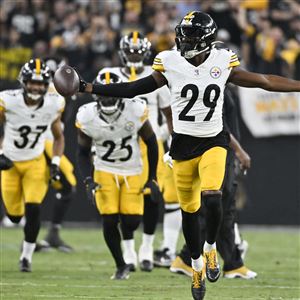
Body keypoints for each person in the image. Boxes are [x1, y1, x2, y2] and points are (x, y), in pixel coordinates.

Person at [57, 11, 300, 300]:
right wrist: (88, 87)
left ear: (206, 41)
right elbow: (135, 87)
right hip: (183, 145)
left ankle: (210, 250)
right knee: (189, 211)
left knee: (213, 195)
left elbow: (264, 81)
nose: (183, 41)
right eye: (182, 35)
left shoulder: (222, 62)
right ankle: (196, 266)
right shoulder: (169, 62)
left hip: (214, 140)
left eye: (190, 37)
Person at [97, 31, 177, 272]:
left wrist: (170, 140)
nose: (133, 56)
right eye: (130, 51)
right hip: (121, 144)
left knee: (152, 195)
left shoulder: (156, 77)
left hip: (150, 143)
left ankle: (147, 248)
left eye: (137, 51)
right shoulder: (108, 75)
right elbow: (97, 107)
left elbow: (169, 116)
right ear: (122, 53)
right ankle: (129, 250)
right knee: (123, 203)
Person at [76, 71, 159, 280]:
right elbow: (82, 153)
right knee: (109, 219)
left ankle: (128, 244)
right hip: (104, 169)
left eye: (110, 93)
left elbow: (151, 142)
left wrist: (152, 177)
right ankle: (121, 265)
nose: (107, 98)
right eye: (103, 94)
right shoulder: (87, 115)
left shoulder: (135, 109)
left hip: (133, 169)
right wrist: (88, 179)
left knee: (131, 221)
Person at [170, 87, 257, 280]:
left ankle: (193, 259)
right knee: (220, 210)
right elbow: (220, 126)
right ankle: (228, 262)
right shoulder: (215, 87)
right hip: (215, 151)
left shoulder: (223, 89)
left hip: (220, 152)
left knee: (220, 211)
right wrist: (240, 151)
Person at [0, 58, 65, 272]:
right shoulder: (8, 101)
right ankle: (25, 248)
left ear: (46, 84)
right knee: (14, 216)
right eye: (32, 82)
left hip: (35, 162)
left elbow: (58, 137)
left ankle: (26, 257)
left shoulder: (54, 104)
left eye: (40, 83)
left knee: (34, 207)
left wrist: (55, 162)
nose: (36, 87)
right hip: (9, 163)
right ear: (23, 82)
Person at [35, 57, 77, 253]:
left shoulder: (58, 94)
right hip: (42, 144)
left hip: (50, 143)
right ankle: (35, 238)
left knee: (67, 187)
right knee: (34, 194)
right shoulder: (50, 92)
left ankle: (51, 234)